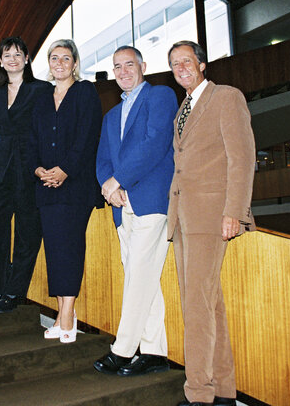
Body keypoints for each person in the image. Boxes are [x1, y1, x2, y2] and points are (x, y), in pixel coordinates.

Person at [167, 40, 255, 406]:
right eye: (174, 64)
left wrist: (234, 210)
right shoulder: (183, 108)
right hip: (184, 217)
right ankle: (222, 390)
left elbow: (242, 156)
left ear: (202, 64)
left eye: (186, 61)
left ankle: (198, 393)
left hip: (211, 214)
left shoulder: (226, 97)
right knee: (208, 303)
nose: (181, 68)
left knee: (196, 306)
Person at [93, 46, 177, 376]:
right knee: (142, 277)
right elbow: (102, 160)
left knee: (139, 274)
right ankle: (155, 352)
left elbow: (156, 143)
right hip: (121, 206)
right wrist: (110, 188)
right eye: (117, 66)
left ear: (143, 65)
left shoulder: (160, 95)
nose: (124, 70)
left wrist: (119, 180)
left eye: (130, 64)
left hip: (152, 199)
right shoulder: (111, 115)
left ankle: (123, 349)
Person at [28, 39, 102, 343]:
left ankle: (68, 316)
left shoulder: (85, 92)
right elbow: (31, 138)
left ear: (75, 63)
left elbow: (88, 136)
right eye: (54, 58)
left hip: (76, 185)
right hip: (46, 186)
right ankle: (61, 315)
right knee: (54, 250)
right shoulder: (42, 97)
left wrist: (65, 170)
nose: (60, 63)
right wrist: (38, 169)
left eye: (66, 58)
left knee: (69, 247)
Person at [0, 37, 52, 313]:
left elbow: (46, 131)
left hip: (29, 164)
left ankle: (14, 292)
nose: (12, 59)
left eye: (18, 54)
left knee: (27, 231)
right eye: (7, 55)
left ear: (27, 59)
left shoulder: (41, 89)